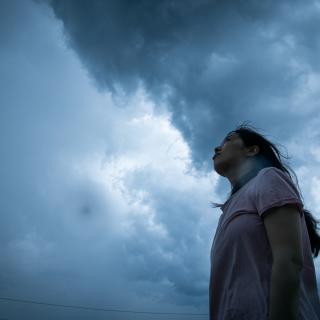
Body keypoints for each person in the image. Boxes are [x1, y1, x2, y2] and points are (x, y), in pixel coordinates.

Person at [209, 122, 320, 320]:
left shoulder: (268, 178)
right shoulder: (227, 209)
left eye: (228, 140)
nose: (218, 147)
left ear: (252, 150)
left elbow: (289, 259)